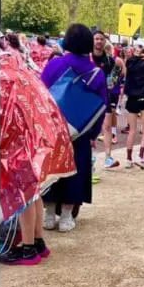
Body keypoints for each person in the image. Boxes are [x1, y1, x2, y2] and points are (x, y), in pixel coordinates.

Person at [40, 24, 108, 233]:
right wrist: (93, 133)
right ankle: (67, 216)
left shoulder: (53, 65)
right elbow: (101, 106)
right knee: (75, 170)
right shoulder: (96, 73)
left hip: (52, 129)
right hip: (79, 130)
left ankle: (49, 213)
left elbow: (40, 94)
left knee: (51, 168)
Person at [92, 31, 126, 169]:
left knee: (106, 127)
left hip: (104, 97)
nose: (99, 41)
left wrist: (115, 76)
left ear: (105, 41)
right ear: (92, 41)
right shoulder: (87, 58)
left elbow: (117, 76)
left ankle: (108, 157)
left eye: (101, 39)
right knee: (91, 129)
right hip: (88, 98)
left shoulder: (110, 60)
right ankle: (91, 160)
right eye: (96, 39)